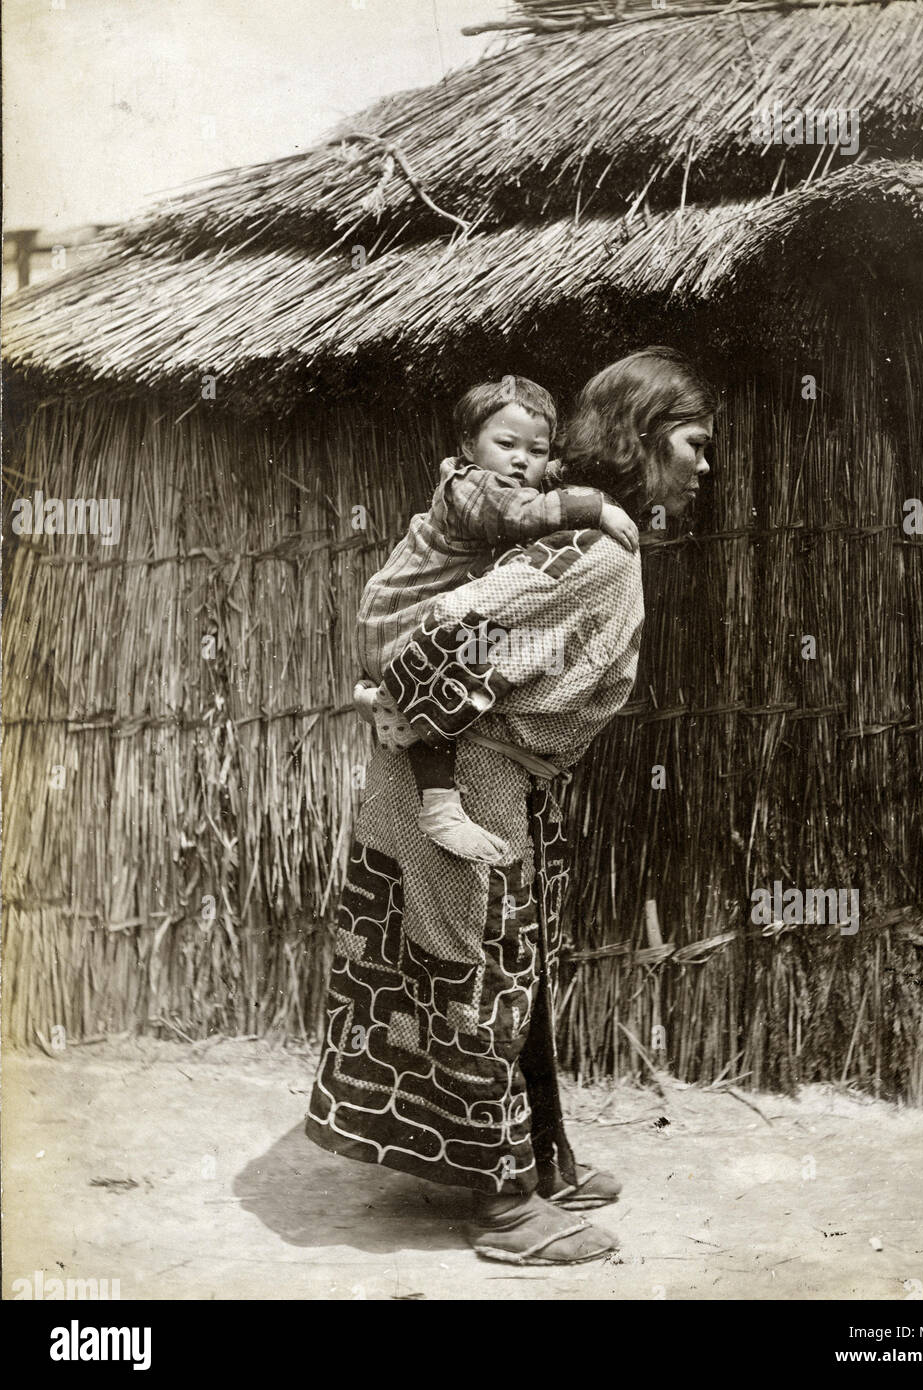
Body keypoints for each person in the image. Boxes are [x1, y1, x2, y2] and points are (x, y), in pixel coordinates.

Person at [306, 347, 717, 1265]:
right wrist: (402, 710)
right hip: (461, 782)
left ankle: (541, 1159)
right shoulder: (593, 550)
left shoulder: (596, 541)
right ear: (649, 439)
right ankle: (501, 1206)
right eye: (694, 443)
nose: (704, 463)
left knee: (510, 973)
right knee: (475, 980)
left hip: (489, 777)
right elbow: (443, 635)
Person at [352, 374, 639, 865]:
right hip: (399, 616)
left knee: (438, 694)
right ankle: (438, 803)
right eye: (506, 443)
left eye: (537, 450)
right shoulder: (467, 485)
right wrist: (594, 509)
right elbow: (519, 512)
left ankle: (391, 708)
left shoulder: (509, 480)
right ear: (468, 444)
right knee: (437, 695)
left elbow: (536, 494)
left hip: (417, 622)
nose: (521, 459)